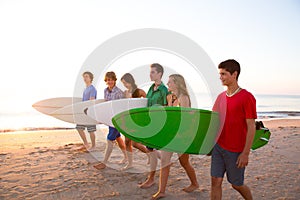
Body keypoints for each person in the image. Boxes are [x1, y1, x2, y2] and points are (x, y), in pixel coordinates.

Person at [211, 59, 257, 200]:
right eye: (220, 74)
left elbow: (251, 126)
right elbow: (213, 122)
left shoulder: (247, 97)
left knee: (236, 184)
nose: (221, 77)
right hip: (219, 147)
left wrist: (245, 154)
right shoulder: (220, 97)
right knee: (215, 181)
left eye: (224, 74)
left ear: (234, 74)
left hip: (236, 150)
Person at [151, 74, 199, 200]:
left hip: (182, 135)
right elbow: (171, 115)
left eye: (170, 82)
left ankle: (195, 183)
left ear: (177, 84)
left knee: (184, 162)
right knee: (165, 161)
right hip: (170, 133)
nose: (168, 84)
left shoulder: (184, 97)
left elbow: (186, 119)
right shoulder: (169, 97)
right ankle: (161, 191)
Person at [139, 63, 168, 189]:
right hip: (149, 124)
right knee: (151, 150)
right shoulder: (151, 88)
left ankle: (151, 179)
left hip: (159, 125)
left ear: (159, 74)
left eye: (152, 72)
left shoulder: (164, 90)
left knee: (152, 150)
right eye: (150, 72)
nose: (150, 74)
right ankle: (155, 173)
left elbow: (168, 108)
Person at [94, 71, 127, 170]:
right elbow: (106, 105)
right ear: (106, 81)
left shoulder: (119, 92)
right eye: (108, 80)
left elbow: (123, 106)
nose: (110, 81)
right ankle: (126, 156)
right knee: (118, 138)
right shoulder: (105, 91)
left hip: (117, 119)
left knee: (109, 139)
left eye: (111, 79)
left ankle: (104, 162)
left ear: (114, 80)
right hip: (110, 119)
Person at [120, 73, 150, 170]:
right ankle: (130, 163)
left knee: (135, 143)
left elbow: (147, 103)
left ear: (130, 81)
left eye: (125, 82)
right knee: (128, 142)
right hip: (128, 119)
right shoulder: (125, 93)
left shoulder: (139, 91)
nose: (125, 85)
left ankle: (150, 154)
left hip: (137, 120)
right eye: (123, 83)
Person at [76, 71, 97, 151]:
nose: (85, 78)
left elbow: (91, 101)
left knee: (91, 130)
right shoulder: (85, 89)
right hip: (83, 112)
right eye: (84, 77)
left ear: (90, 78)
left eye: (86, 76)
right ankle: (86, 144)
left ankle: (94, 146)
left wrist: (88, 111)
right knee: (79, 128)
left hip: (90, 112)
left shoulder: (92, 89)